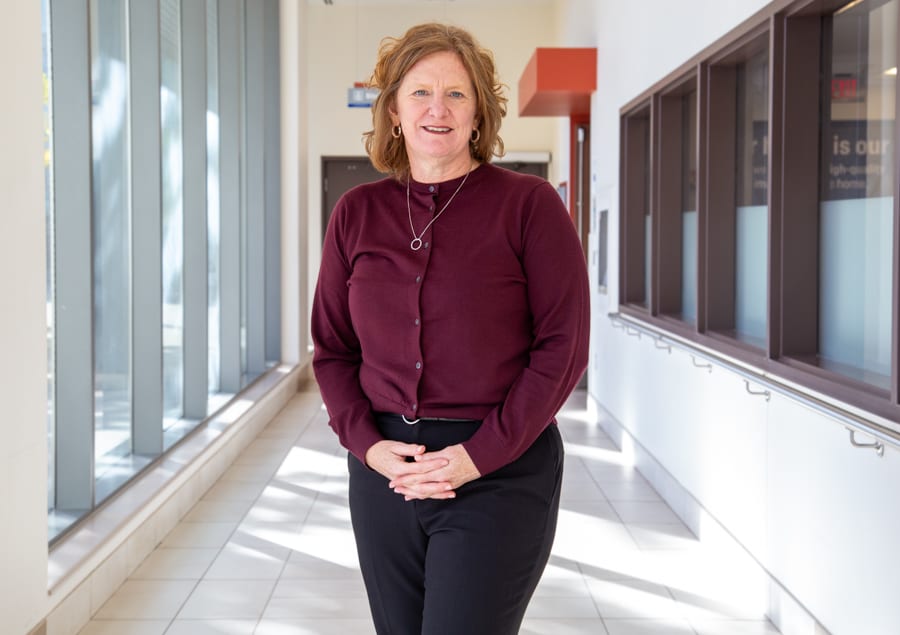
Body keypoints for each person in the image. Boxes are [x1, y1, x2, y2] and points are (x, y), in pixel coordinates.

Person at [311, 22, 589, 635]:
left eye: (457, 94)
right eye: (420, 93)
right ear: (392, 112)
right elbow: (333, 350)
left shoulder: (529, 205)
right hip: (386, 469)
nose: (438, 108)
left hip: (498, 469)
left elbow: (563, 348)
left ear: (479, 115)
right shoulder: (355, 214)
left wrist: (475, 456)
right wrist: (368, 446)